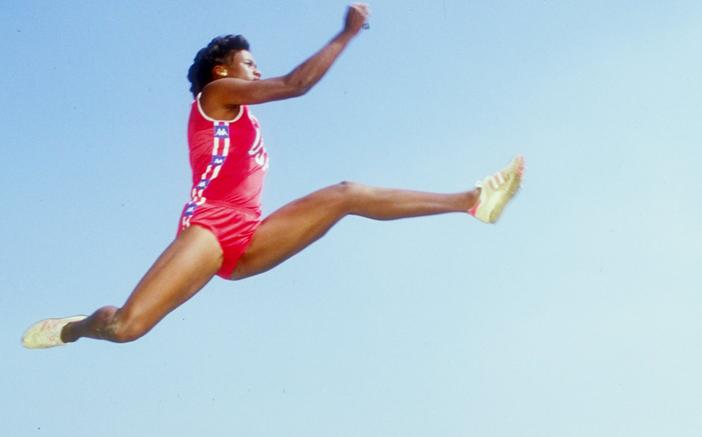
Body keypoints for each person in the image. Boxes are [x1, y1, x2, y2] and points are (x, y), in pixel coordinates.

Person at [21, 3, 524, 349]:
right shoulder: (215, 100)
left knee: (345, 195)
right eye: (248, 64)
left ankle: (470, 201)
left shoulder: (246, 121)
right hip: (210, 228)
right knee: (127, 328)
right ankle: (76, 328)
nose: (256, 73)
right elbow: (296, 84)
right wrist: (347, 32)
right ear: (222, 71)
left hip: (250, 235)